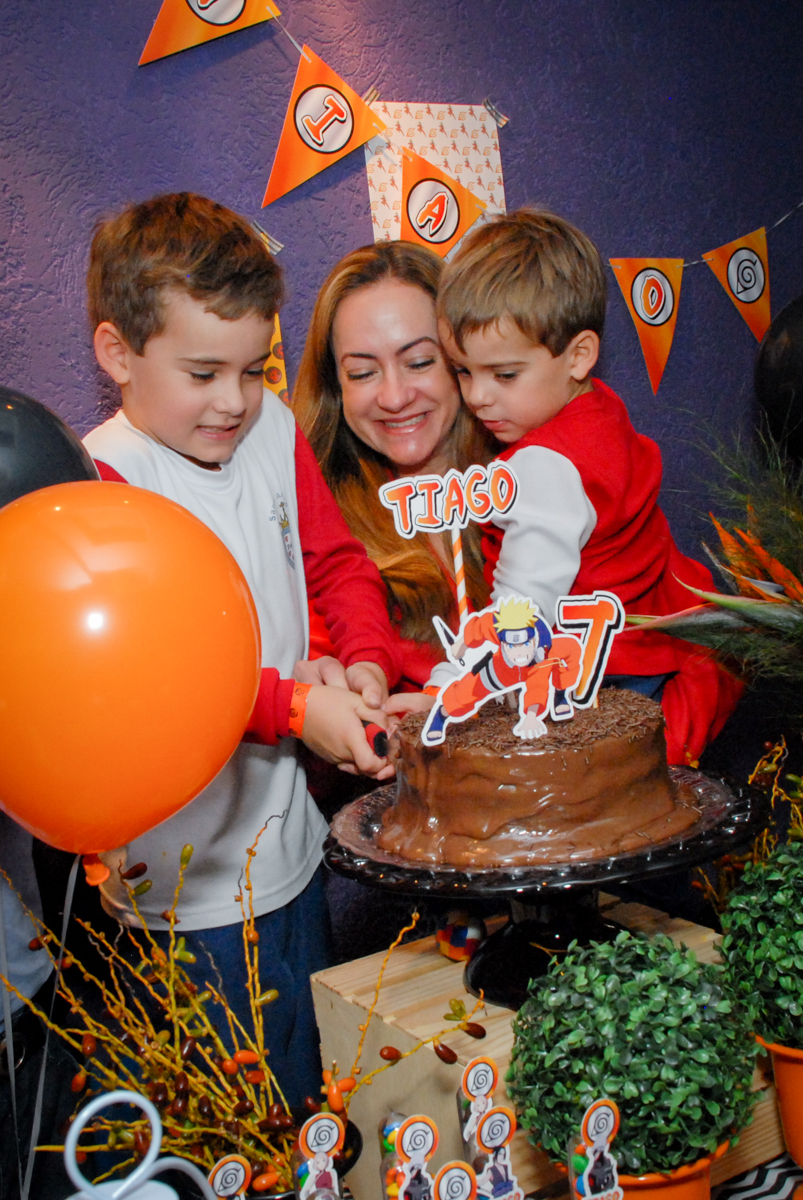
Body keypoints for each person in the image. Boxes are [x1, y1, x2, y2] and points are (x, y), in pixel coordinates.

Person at [81, 192, 403, 1104]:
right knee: (233, 1112)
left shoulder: (270, 426)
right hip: (181, 888)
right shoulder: (103, 483)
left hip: (292, 848)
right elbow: (157, 675)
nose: (232, 401)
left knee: (314, 1092)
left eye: (253, 369)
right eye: (201, 373)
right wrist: (300, 708)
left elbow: (335, 562)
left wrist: (365, 662)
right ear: (118, 354)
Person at [423, 208, 742, 767]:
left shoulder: (544, 468)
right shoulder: (598, 409)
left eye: (504, 375)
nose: (476, 397)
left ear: (579, 355)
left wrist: (446, 690)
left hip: (607, 679)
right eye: (462, 371)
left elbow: (519, 613)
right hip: (653, 651)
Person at [292, 241, 494, 692]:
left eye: (420, 362)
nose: (395, 396)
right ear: (335, 388)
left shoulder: (535, 479)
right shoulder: (321, 540)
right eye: (363, 373)